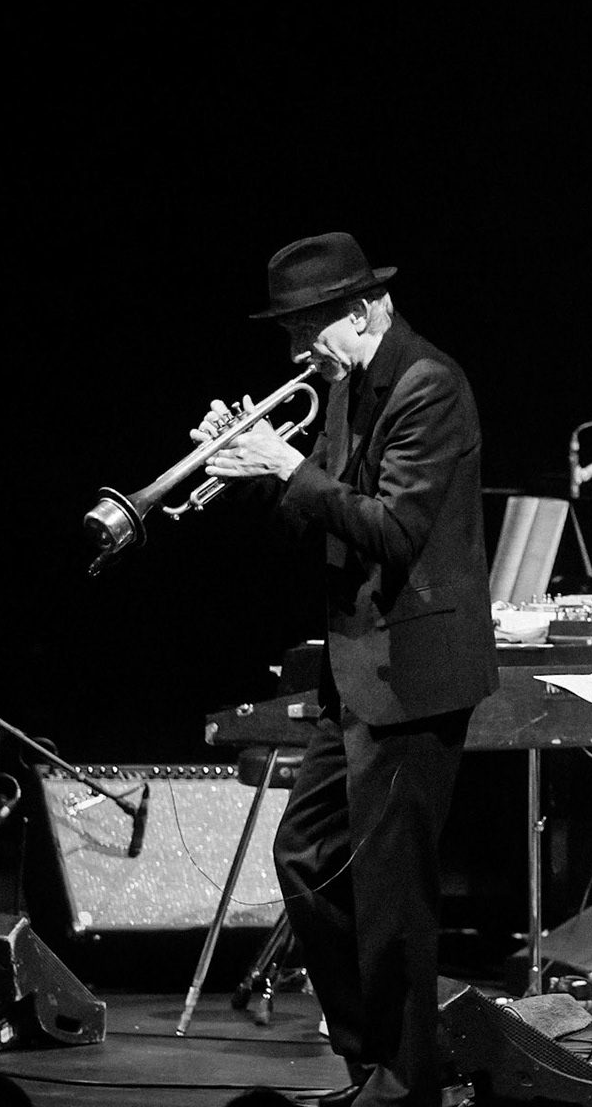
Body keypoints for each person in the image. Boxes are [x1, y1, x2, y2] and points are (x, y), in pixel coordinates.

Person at [198, 231, 499, 1106]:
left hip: (414, 675)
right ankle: (371, 1061)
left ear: (365, 310)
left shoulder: (428, 385)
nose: (298, 352)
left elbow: (394, 532)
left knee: (393, 896)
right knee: (307, 856)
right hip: (358, 670)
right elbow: (317, 519)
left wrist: (288, 466)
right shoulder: (344, 388)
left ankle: (404, 1086)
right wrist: (256, 471)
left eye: (308, 330)